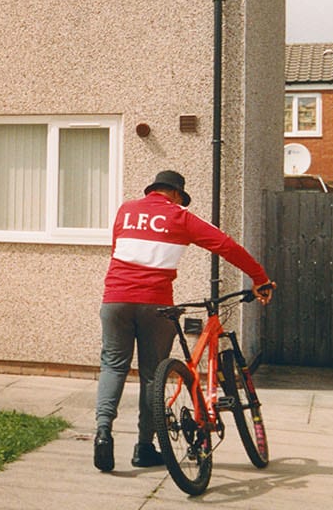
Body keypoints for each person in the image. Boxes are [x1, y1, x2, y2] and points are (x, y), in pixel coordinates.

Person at [94, 170, 275, 472]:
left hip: (115, 300)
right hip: (155, 304)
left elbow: (117, 249)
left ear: (152, 190)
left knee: (113, 366)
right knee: (153, 376)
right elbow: (226, 246)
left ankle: (102, 433)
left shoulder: (126, 210)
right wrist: (260, 278)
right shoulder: (180, 217)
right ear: (176, 194)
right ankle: (144, 447)